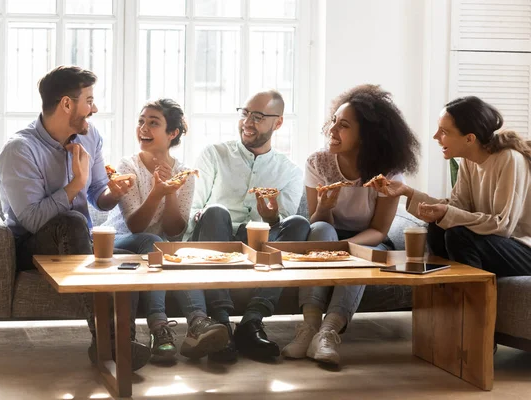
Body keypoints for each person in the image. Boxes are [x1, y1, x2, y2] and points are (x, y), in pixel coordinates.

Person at [0, 65, 150, 370]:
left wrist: (113, 192)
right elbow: (32, 220)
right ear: (67, 104)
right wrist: (73, 186)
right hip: (32, 246)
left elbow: (97, 196)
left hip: (80, 242)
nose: (95, 108)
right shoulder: (20, 150)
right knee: (73, 221)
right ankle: (107, 339)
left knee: (128, 260)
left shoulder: (90, 137)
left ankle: (122, 343)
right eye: (89, 100)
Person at [282, 84, 420, 366]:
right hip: (327, 234)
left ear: (366, 136)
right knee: (321, 229)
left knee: (360, 256)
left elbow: (380, 230)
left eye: (343, 126)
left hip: (368, 239)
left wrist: (347, 249)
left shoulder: (389, 172)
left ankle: (328, 331)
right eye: (333, 121)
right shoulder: (318, 162)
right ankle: (308, 327)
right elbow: (317, 223)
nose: (332, 130)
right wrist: (325, 208)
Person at [186, 90, 311, 361]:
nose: (247, 122)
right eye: (244, 113)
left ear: (277, 123)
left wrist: (272, 217)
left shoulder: (289, 171)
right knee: (216, 212)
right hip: (214, 234)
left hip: (257, 239)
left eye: (257, 117)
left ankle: (251, 322)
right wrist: (200, 223)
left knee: (299, 223)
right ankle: (220, 325)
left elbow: (283, 223)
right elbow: (193, 208)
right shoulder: (214, 154)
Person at [103, 99, 228, 362]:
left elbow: (175, 231)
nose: (143, 128)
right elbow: (134, 225)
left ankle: (197, 325)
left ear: (172, 133)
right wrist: (157, 192)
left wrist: (170, 191)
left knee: (172, 249)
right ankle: (160, 327)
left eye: (153, 123)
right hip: (121, 242)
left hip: (157, 246)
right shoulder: (129, 166)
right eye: (141, 121)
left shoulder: (185, 172)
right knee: (153, 241)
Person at [370, 96, 531, 278]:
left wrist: (446, 213)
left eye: (444, 131)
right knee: (437, 229)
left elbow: (503, 226)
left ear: (469, 139)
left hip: (522, 249)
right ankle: (444, 297)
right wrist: (407, 192)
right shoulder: (468, 162)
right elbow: (457, 208)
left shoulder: (509, 159)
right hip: (495, 244)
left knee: (458, 235)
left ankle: (470, 300)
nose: (436, 137)